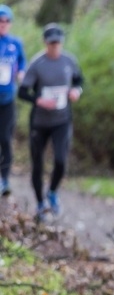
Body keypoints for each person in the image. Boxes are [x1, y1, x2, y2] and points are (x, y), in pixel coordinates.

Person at [18, 23, 83, 219]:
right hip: (39, 122)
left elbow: (79, 81)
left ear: (61, 43)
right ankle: (40, 204)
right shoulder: (37, 64)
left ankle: (53, 192)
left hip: (61, 120)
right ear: (45, 43)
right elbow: (22, 92)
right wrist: (39, 100)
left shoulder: (69, 61)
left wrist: (76, 91)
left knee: (61, 161)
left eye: (57, 43)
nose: (54, 47)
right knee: (37, 164)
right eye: (51, 43)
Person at [0, 4, 26, 196]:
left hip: (8, 100)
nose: (3, 24)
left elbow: (22, 63)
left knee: (5, 139)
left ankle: (5, 179)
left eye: (7, 20)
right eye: (1, 20)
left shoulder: (16, 43)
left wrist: (22, 74)